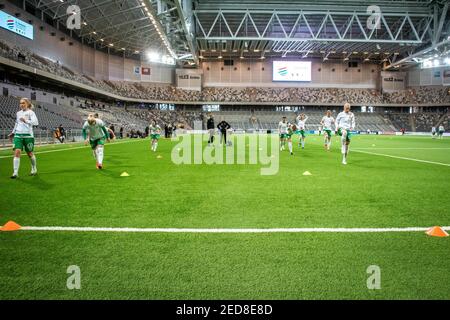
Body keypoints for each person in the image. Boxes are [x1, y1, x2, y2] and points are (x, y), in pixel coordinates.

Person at [9, 98, 39, 179]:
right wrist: (13, 132)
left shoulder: (31, 112)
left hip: (28, 136)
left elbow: (36, 122)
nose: (21, 104)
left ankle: (34, 168)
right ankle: (15, 173)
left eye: (23, 103)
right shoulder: (18, 113)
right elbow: (16, 123)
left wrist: (26, 121)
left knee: (29, 153)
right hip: (18, 135)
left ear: (27, 104)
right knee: (17, 152)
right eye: (20, 103)